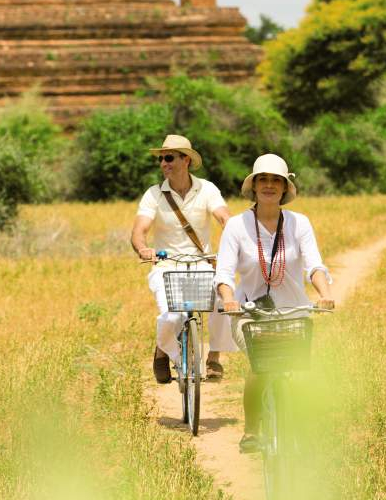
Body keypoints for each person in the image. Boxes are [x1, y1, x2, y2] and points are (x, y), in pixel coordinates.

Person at [215, 153, 334, 453]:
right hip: (249, 313)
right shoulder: (237, 226)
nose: (269, 185)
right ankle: (252, 431)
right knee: (263, 366)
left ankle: (297, 425)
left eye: (276, 181)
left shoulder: (299, 223)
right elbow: (224, 274)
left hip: (292, 311)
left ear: (284, 188)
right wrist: (229, 300)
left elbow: (314, 266)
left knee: (298, 371)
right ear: (253, 187)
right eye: (263, 180)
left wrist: (324, 293)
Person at [131, 134, 235, 384]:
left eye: (169, 158)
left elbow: (224, 218)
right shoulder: (153, 194)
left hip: (203, 264)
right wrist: (144, 249)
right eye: (161, 159)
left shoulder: (207, 189)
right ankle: (163, 350)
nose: (163, 164)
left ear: (186, 160)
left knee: (227, 299)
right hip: (167, 267)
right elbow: (139, 232)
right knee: (171, 316)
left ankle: (214, 358)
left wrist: (234, 242)